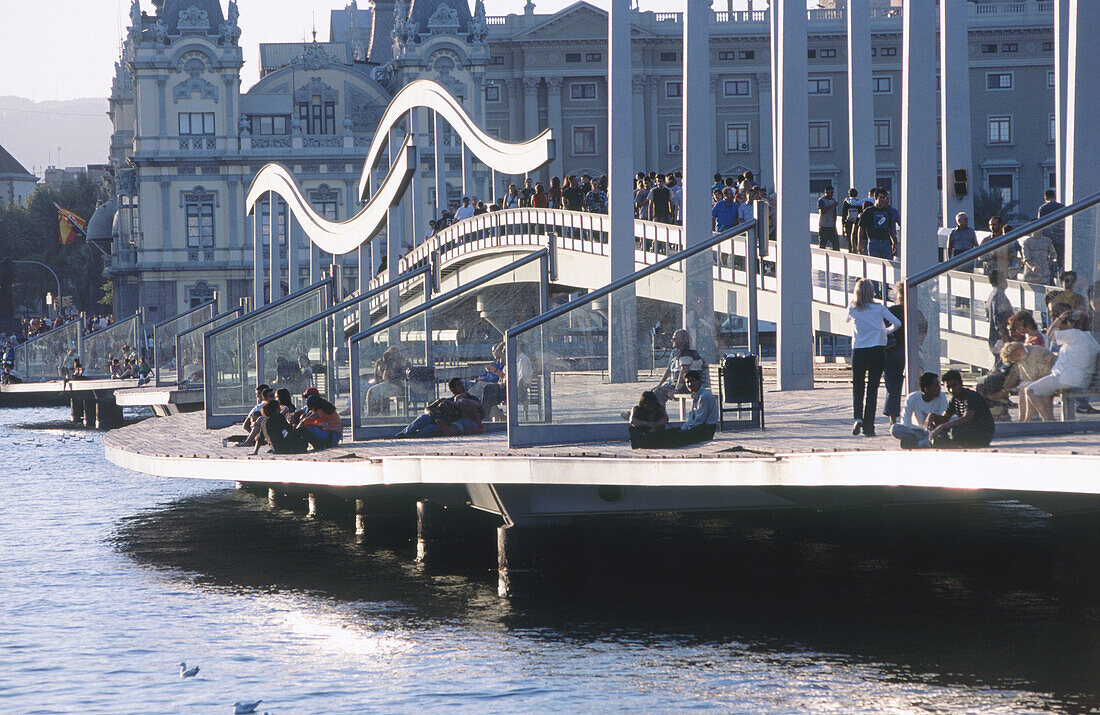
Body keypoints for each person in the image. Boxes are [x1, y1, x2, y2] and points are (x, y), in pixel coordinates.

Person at [845, 278, 901, 437]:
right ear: (871, 292)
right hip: (877, 350)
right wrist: (884, 331)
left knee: (858, 387)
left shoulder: (853, 308)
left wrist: (852, 304)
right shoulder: (879, 308)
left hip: (859, 351)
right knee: (872, 388)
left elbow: (845, 319)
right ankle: (869, 426)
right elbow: (897, 323)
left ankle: (857, 418)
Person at [1022, 310, 1100, 421]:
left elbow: (1050, 333)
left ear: (1071, 324)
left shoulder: (1075, 334)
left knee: (1030, 390)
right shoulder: (1090, 338)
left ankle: (1046, 421)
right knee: (1046, 392)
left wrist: (1059, 318)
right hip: (1081, 379)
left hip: (1067, 378)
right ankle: (1048, 421)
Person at [630, 371, 717, 449]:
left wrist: (684, 429)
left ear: (699, 382)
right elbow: (691, 420)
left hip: (705, 430)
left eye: (692, 381)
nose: (690, 384)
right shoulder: (696, 396)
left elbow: (699, 421)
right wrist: (683, 428)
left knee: (673, 437)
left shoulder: (704, 396)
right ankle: (646, 442)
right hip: (696, 428)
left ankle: (648, 444)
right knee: (669, 433)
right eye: (687, 382)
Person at [395, 378, 484, 438]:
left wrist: (462, 399)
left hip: (447, 423)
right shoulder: (445, 400)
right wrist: (431, 413)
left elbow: (479, 407)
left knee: (430, 429)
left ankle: (411, 436)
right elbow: (427, 408)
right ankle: (403, 434)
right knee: (423, 418)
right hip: (436, 418)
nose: (463, 386)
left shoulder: (470, 398)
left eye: (462, 384)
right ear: (453, 389)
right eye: (459, 385)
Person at [928, 370, 995, 448]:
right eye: (948, 387)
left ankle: (954, 445)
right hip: (968, 430)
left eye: (954, 385)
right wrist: (932, 416)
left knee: (955, 430)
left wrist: (942, 427)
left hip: (981, 434)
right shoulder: (954, 399)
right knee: (936, 425)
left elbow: (967, 418)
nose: (951, 390)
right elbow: (944, 418)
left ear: (961, 383)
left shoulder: (971, 396)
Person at [890, 372, 949, 449]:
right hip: (917, 432)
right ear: (926, 389)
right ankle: (925, 443)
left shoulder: (942, 396)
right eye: (936, 385)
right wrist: (923, 430)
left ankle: (917, 443)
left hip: (935, 431)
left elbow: (944, 419)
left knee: (944, 432)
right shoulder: (912, 398)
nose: (939, 388)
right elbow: (905, 422)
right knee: (895, 429)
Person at [999, 341, 1054, 422]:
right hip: (1041, 379)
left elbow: (1046, 371)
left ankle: (1029, 418)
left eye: (1016, 355)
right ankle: (1023, 419)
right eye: (1014, 359)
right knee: (1022, 388)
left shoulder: (1037, 352)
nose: (1016, 359)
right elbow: (1026, 377)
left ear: (1019, 349)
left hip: (1053, 376)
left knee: (1029, 388)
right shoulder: (1021, 359)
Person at [652, 328, 704, 406]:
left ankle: (655, 415)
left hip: (688, 386)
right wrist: (660, 384)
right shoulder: (676, 353)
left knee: (659, 392)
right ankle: (646, 413)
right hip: (678, 384)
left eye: (675, 338)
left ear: (683, 340)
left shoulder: (687, 352)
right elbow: (668, 371)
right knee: (655, 392)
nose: (673, 340)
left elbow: (684, 372)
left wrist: (676, 389)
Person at [882, 282, 907, 424]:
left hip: (893, 351)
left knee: (893, 386)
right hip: (911, 350)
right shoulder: (916, 310)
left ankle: (893, 419)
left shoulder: (892, 310)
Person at [366, 346, 408, 414]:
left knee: (372, 392)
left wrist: (391, 365)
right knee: (368, 390)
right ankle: (374, 412)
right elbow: (378, 378)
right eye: (392, 352)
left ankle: (371, 414)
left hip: (400, 386)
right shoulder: (382, 362)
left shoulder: (402, 362)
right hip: (388, 385)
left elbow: (388, 377)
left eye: (396, 352)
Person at [856, 188, 897, 259]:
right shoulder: (868, 211)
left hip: (886, 242)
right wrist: (859, 243)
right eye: (881, 197)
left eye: (884, 198)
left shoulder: (887, 211)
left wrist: (893, 242)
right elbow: (861, 227)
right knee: (874, 263)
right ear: (875, 198)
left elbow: (891, 228)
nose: (883, 200)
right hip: (874, 242)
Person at [985, 270, 1013, 367]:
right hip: (1000, 338)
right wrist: (1006, 340)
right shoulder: (999, 296)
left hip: (994, 338)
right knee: (1001, 366)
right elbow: (1000, 320)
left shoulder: (992, 295)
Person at [1037, 189, 1066, 271]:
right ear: (1054, 196)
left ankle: (1050, 278)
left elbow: (1040, 224)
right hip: (1061, 238)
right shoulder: (1062, 207)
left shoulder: (1043, 208)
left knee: (1048, 260)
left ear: (1045, 198)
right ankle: (1060, 275)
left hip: (1048, 238)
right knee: (1061, 259)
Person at [817, 185, 840, 250]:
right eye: (830, 193)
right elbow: (822, 211)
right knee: (822, 245)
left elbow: (834, 213)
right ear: (826, 192)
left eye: (833, 192)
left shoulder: (833, 200)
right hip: (823, 226)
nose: (832, 194)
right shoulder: (822, 200)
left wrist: (834, 224)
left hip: (831, 226)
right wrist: (832, 206)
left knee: (836, 245)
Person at [841, 188, 863, 253]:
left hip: (849, 223)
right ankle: (856, 251)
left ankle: (851, 250)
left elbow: (843, 215)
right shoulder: (858, 203)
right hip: (856, 223)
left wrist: (843, 227)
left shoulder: (846, 203)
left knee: (849, 239)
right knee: (856, 238)